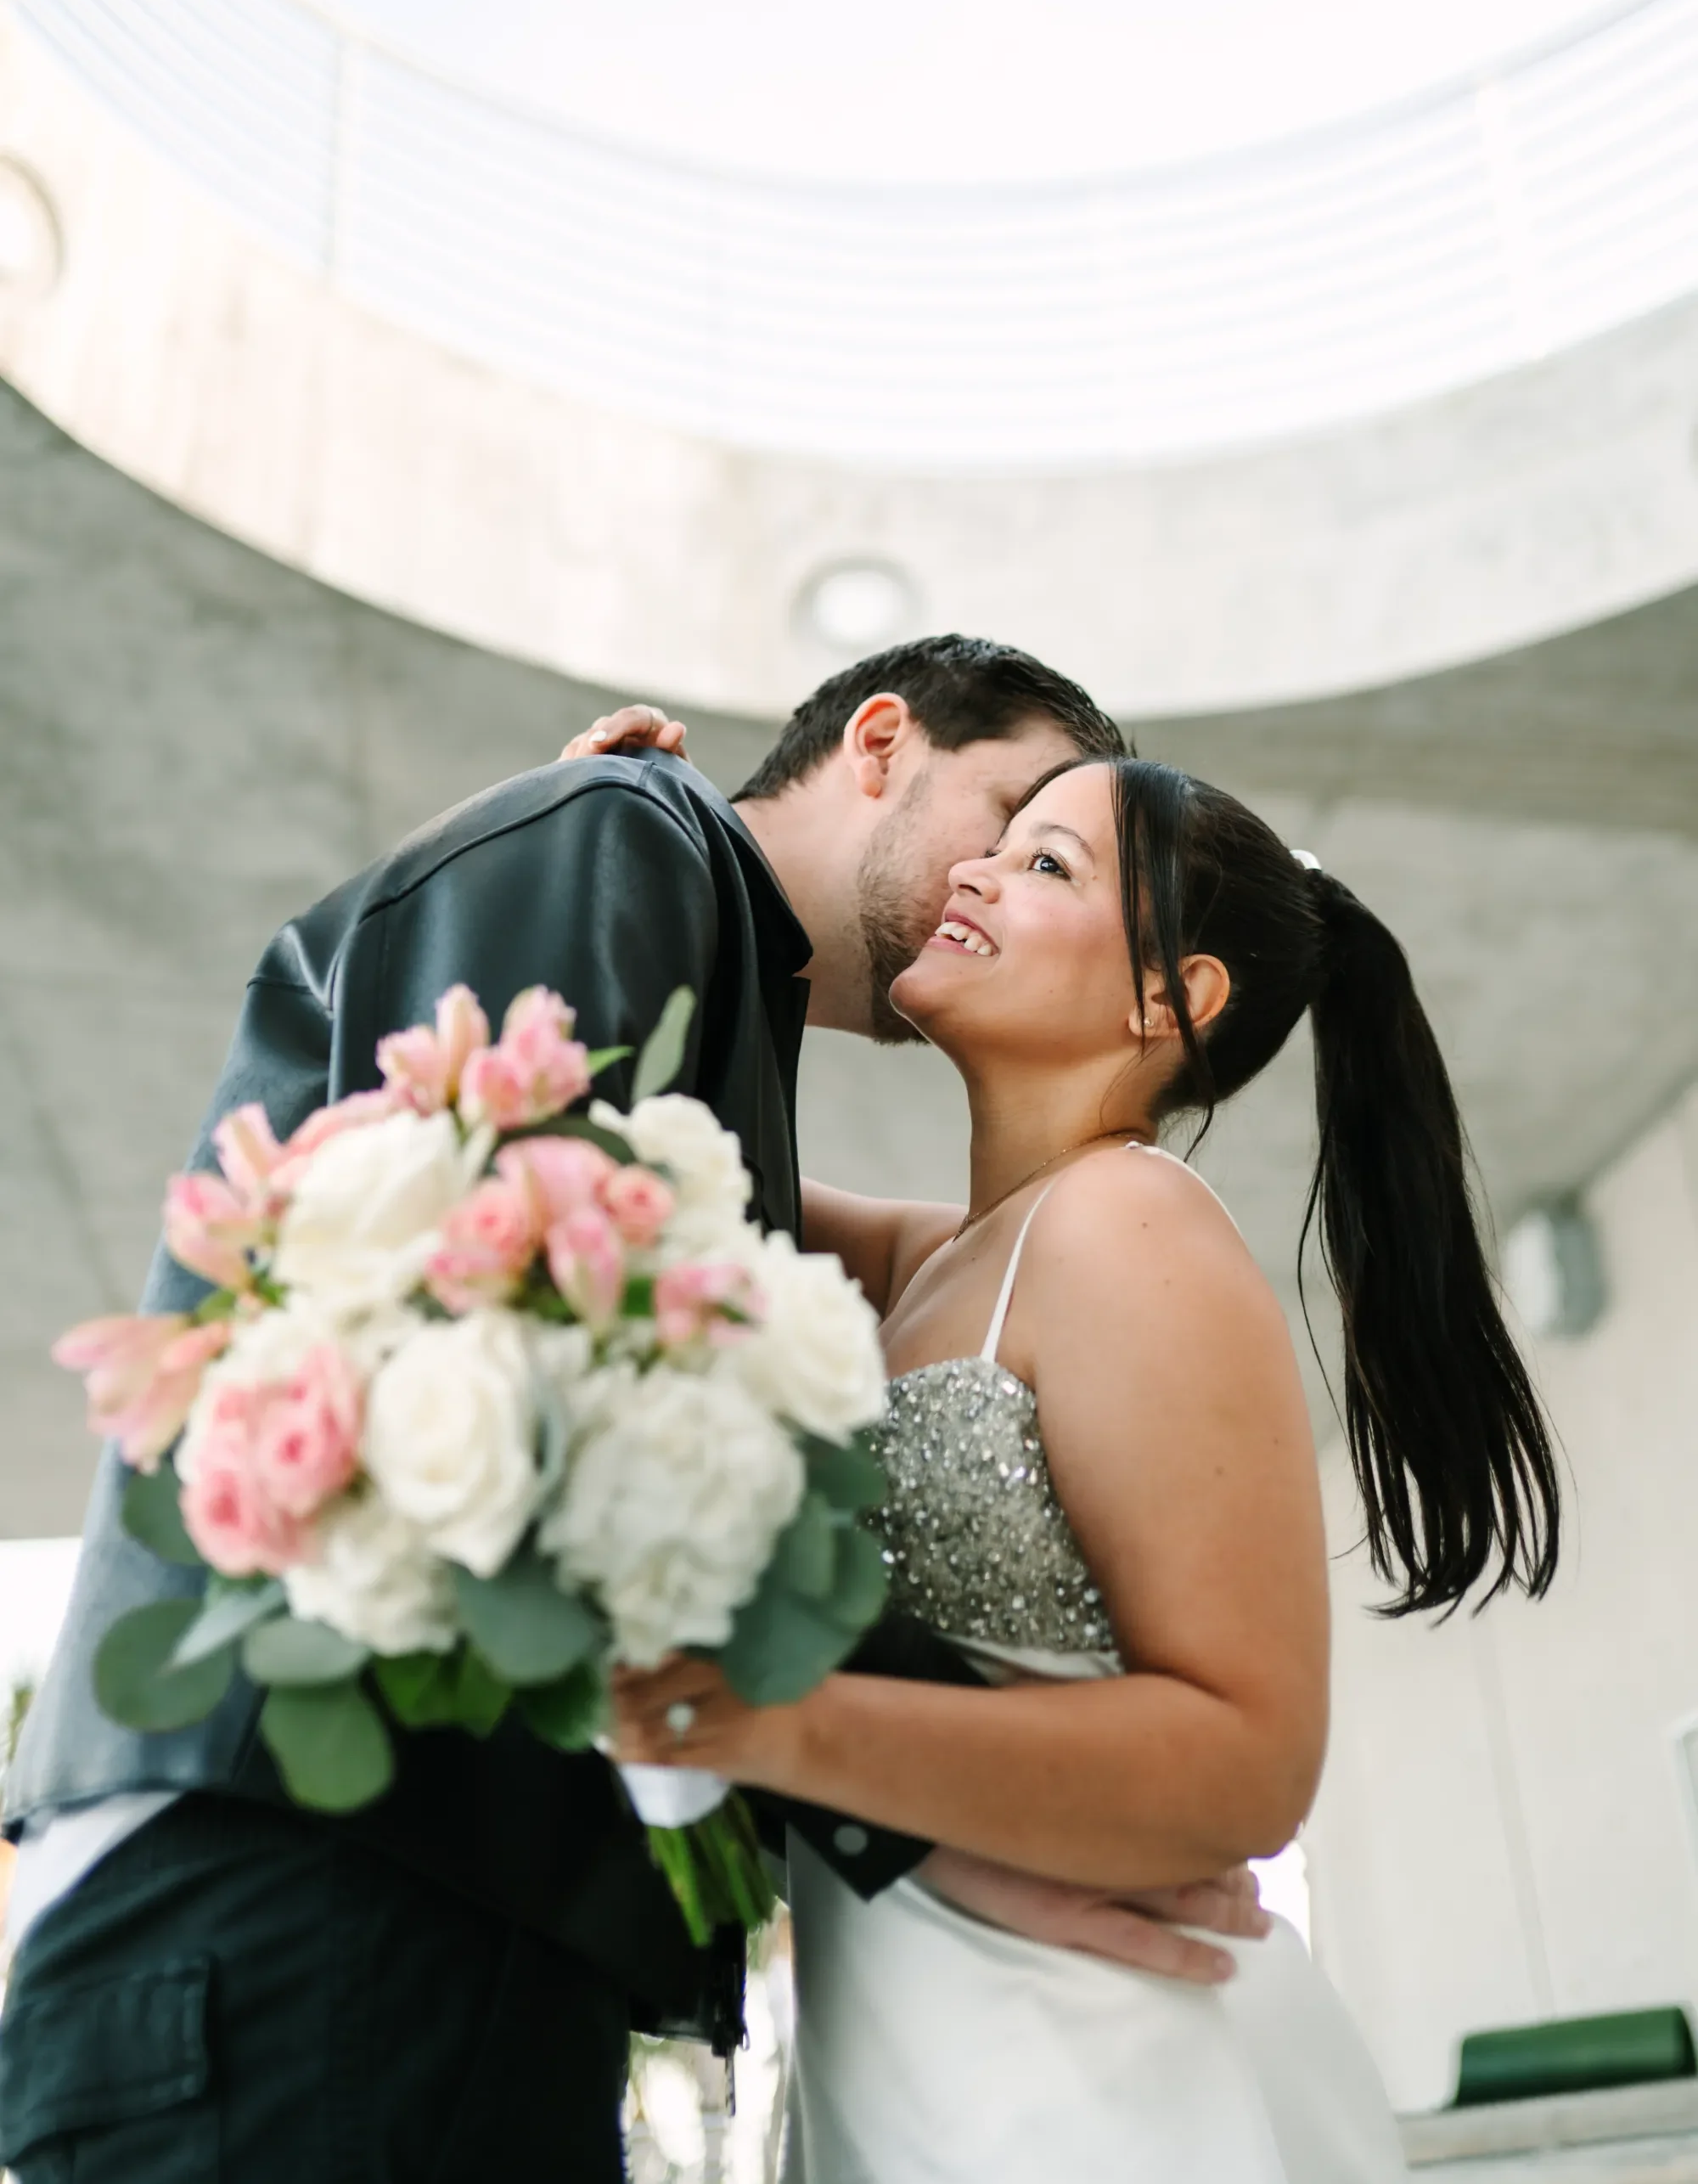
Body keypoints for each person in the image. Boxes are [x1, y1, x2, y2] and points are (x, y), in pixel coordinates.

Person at [0, 639, 1258, 2184]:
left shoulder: (674, 933)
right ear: (881, 740)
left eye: (1047, 856)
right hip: (316, 1879)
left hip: (397, 1899)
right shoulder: (622, 841)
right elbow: (548, 1329)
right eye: (1003, 814)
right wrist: (939, 1835)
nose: (994, 877)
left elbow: (907, 1282)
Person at [613, 751, 1563, 2181]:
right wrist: (636, 838)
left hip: (1104, 2079)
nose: (974, 870)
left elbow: (1248, 1761)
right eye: (997, 844)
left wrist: (775, 1726)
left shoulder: (1128, 1223)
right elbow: (609, 1180)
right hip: (917, 2052)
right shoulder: (919, 1260)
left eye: (1046, 862)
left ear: (1167, 998)